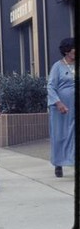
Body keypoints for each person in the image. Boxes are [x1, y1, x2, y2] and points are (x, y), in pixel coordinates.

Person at [47, 37, 75, 178]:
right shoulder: (57, 66)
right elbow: (51, 86)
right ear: (66, 50)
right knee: (60, 135)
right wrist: (58, 103)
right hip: (61, 108)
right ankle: (58, 163)